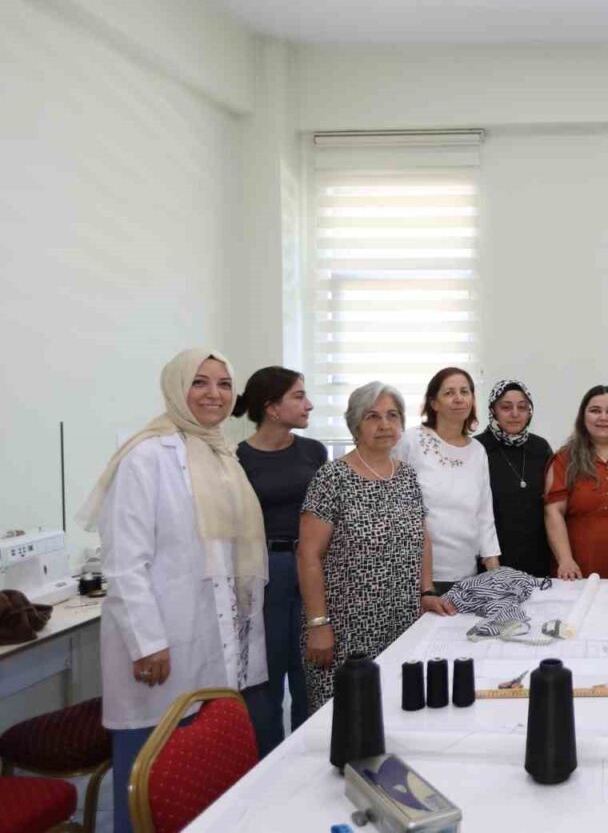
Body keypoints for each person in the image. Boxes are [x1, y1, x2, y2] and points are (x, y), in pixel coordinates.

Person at [77, 349, 269, 833]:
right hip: (161, 647)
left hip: (210, 638)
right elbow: (125, 562)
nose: (214, 394)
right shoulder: (146, 455)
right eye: (199, 382)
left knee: (202, 778)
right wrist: (147, 642)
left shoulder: (222, 454)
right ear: (175, 388)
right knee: (150, 780)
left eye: (224, 384)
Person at [298, 381, 453, 714]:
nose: (384, 425)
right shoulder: (332, 477)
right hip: (345, 629)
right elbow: (309, 555)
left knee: (396, 715)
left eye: (392, 416)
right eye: (373, 416)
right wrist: (318, 624)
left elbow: (422, 537)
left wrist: (427, 591)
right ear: (356, 424)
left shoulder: (406, 476)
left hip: (402, 623)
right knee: (344, 722)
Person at [232, 366, 328, 754]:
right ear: (272, 408)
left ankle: (310, 759)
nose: (309, 404)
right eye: (299, 396)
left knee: (311, 669)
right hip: (264, 572)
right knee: (265, 676)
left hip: (312, 568)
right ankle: (266, 764)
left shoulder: (314, 451)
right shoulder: (237, 458)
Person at [392, 367, 502, 586]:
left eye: (464, 392)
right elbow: (388, 501)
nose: (458, 398)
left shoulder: (477, 451)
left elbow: (483, 513)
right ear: (434, 403)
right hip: (415, 575)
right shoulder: (410, 441)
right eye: (449, 393)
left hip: (464, 574)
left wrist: (494, 570)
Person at [544, 385, 608, 579]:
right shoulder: (564, 459)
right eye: (595, 410)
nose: (603, 417)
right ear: (582, 416)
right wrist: (565, 560)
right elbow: (553, 512)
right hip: (575, 569)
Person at [474, 379, 554, 576]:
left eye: (522, 407)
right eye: (506, 407)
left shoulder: (540, 448)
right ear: (493, 411)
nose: (515, 414)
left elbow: (552, 502)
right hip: (491, 557)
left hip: (537, 555)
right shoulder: (477, 448)